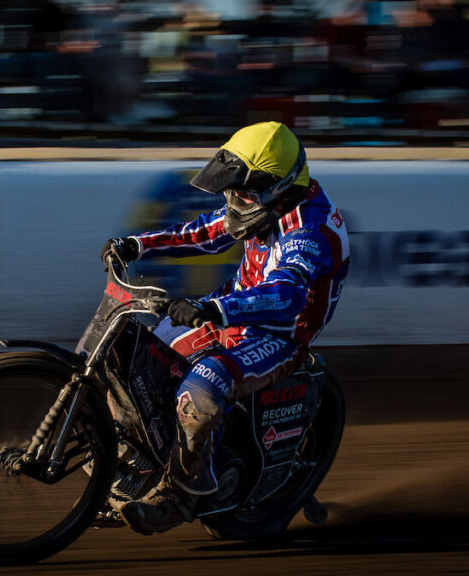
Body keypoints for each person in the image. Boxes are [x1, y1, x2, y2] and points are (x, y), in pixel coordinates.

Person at [100, 121, 350, 535]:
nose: (232, 197)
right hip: (229, 314)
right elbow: (204, 233)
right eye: (229, 187)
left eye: (240, 188)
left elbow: (285, 298)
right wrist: (138, 244)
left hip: (278, 335)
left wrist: (213, 309)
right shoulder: (263, 202)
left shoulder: (308, 231)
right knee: (139, 358)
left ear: (276, 183)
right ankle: (139, 464)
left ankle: (182, 494)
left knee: (204, 383)